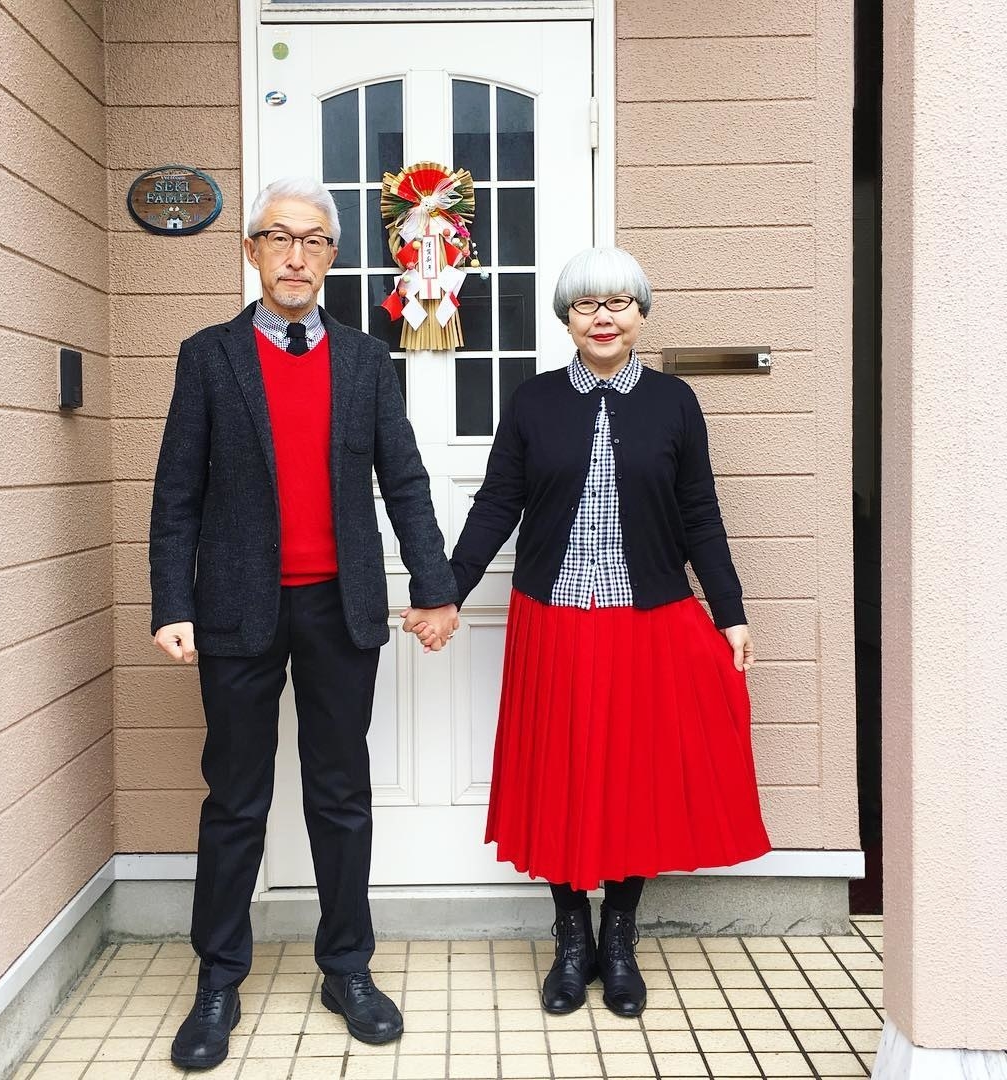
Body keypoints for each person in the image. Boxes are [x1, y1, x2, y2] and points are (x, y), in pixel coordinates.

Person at [403, 247, 771, 1018]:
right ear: (566, 319)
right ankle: (571, 939)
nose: (602, 317)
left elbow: (701, 513)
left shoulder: (674, 403)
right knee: (563, 773)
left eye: (618, 303)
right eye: (585, 305)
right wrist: (446, 592)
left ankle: (619, 940)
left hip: (649, 619)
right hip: (555, 620)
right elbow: (497, 504)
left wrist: (729, 611)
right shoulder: (534, 401)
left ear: (640, 312)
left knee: (634, 776)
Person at [149, 176, 460, 1069]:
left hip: (340, 605)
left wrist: (434, 588)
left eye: (315, 240)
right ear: (250, 251)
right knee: (236, 800)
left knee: (339, 795)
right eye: (279, 238)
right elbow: (178, 493)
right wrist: (173, 602)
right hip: (237, 612)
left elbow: (403, 479)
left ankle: (346, 968)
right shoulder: (207, 356)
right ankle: (217, 979)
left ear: (331, 256)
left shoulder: (364, 359)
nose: (296, 255)